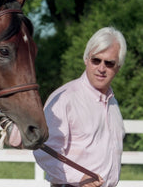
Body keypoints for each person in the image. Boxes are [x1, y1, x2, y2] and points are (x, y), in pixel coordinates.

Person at [33, 27, 127, 187]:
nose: (101, 68)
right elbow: (44, 150)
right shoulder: (65, 98)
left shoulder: (112, 103)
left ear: (118, 67)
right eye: (96, 60)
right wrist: (78, 177)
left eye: (109, 63)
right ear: (86, 59)